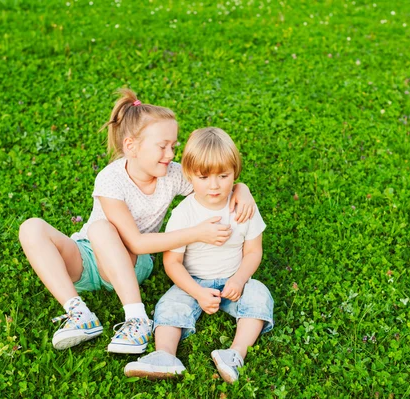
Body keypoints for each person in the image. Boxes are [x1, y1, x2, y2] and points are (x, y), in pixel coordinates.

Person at [18, 90, 256, 354]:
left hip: (132, 263)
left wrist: (240, 188)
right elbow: (137, 240)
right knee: (32, 227)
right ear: (131, 146)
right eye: (163, 146)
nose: (170, 154)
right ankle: (77, 312)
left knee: (101, 228)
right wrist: (196, 233)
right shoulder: (110, 179)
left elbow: (211, 185)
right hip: (88, 257)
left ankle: (137, 319)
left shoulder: (172, 174)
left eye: (173, 146)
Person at [124, 127, 274, 383]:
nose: (214, 185)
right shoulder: (184, 213)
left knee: (260, 294)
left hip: (232, 280)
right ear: (189, 175)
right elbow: (172, 262)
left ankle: (235, 354)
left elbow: (252, 251)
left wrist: (239, 280)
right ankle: (164, 355)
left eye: (223, 176)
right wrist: (197, 291)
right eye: (204, 177)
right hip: (192, 281)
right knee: (170, 305)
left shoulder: (244, 207)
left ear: (235, 173)